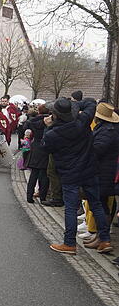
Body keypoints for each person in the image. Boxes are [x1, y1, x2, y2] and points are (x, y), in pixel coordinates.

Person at [42, 97, 110, 255]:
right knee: (96, 204)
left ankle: (69, 243)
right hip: (89, 170)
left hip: (70, 173)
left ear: (55, 115)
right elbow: (91, 102)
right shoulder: (82, 120)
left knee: (71, 209)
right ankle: (105, 239)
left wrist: (47, 126)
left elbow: (45, 148)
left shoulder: (53, 133)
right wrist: (72, 107)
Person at [82, 102, 119, 251]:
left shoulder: (107, 132)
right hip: (103, 172)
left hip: (104, 173)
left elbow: (97, 150)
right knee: (100, 205)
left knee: (100, 205)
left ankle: (104, 238)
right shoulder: (106, 129)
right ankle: (100, 236)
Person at [24, 105, 50, 204]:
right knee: (43, 174)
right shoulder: (50, 121)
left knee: (34, 174)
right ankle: (43, 197)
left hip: (36, 147)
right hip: (46, 148)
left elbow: (27, 125)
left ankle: (29, 196)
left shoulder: (35, 121)